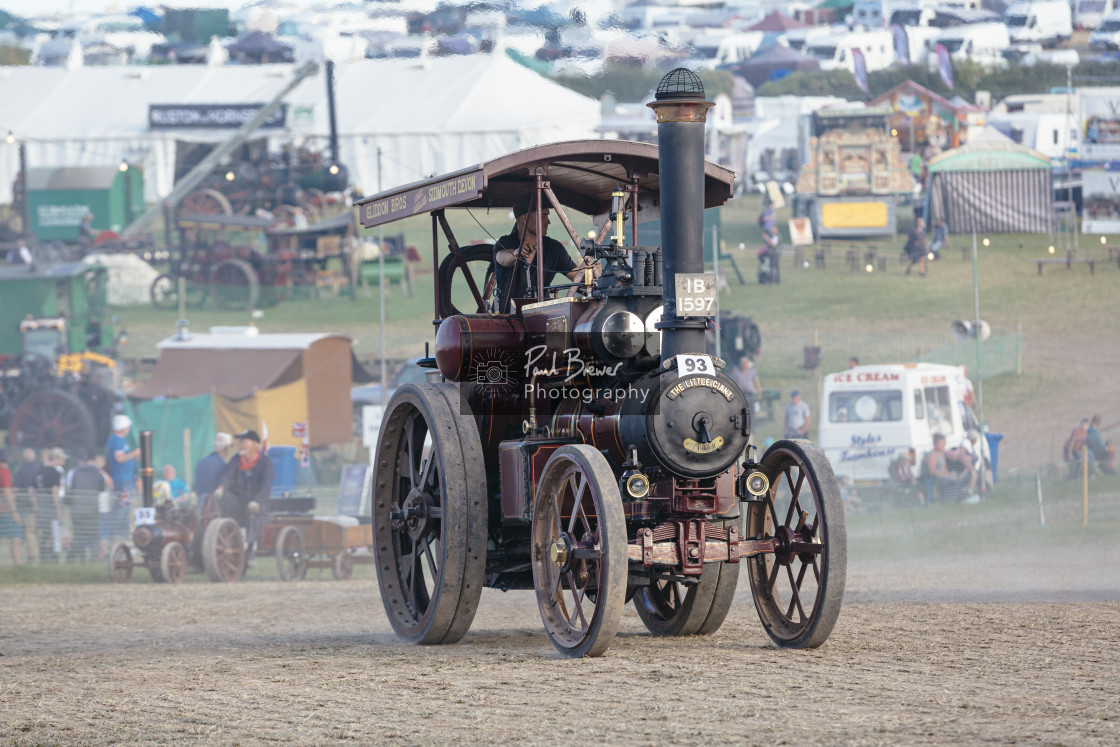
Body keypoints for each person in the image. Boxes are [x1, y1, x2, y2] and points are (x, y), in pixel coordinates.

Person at [493, 194, 589, 313]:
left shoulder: (554, 248)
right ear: (525, 218)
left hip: (541, 317)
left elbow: (577, 277)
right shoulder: (505, 243)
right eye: (543, 216)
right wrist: (517, 253)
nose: (548, 222)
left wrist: (591, 272)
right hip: (507, 319)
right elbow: (501, 257)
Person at [215, 429, 273, 567]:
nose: (240, 445)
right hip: (239, 500)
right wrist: (221, 488)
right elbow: (228, 475)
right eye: (239, 442)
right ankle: (222, 538)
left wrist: (257, 501)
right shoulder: (236, 459)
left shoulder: (265, 462)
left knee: (252, 514)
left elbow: (266, 485)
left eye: (243, 441)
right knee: (222, 500)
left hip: (257, 502)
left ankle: (250, 550)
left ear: (254, 444)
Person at [65, 449, 107, 562]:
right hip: (93, 510)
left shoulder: (74, 472)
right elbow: (101, 490)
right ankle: (94, 561)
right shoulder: (98, 473)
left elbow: (70, 490)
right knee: (93, 537)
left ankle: (72, 561)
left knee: (78, 536)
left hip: (77, 511)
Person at [106, 414, 140, 539]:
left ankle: (123, 534)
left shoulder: (119, 440)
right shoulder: (117, 440)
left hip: (127, 480)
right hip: (123, 481)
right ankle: (117, 534)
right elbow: (119, 458)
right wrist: (134, 453)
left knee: (125, 508)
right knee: (123, 507)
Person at [922, 434, 978, 504]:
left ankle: (950, 499)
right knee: (950, 481)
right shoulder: (932, 455)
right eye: (942, 443)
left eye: (945, 443)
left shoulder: (942, 454)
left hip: (941, 477)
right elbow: (932, 471)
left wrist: (949, 475)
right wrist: (945, 476)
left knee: (956, 479)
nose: (944, 445)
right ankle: (947, 499)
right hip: (933, 478)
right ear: (936, 444)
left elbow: (944, 469)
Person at [33, 447, 66, 563]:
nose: (64, 461)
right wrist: (59, 512)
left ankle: (43, 558)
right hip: (51, 509)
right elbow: (55, 492)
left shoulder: (39, 471)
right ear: (56, 458)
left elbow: (31, 489)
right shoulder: (55, 473)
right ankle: (53, 560)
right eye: (62, 459)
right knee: (54, 534)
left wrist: (36, 506)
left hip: (41, 508)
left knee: (44, 535)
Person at [12, 448, 41, 564]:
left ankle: (32, 558)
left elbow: (15, 489)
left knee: (29, 533)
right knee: (38, 533)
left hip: (27, 507)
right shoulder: (41, 468)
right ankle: (40, 558)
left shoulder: (21, 471)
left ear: (24, 459)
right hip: (43, 506)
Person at [194, 432, 233, 507]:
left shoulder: (201, 462)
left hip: (200, 506)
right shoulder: (224, 466)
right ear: (227, 447)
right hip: (216, 507)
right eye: (231, 446)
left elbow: (197, 487)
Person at [0, 448, 24, 565]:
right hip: (4, 511)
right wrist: (14, 511)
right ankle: (19, 567)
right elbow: (7, 492)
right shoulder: (5, 471)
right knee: (16, 536)